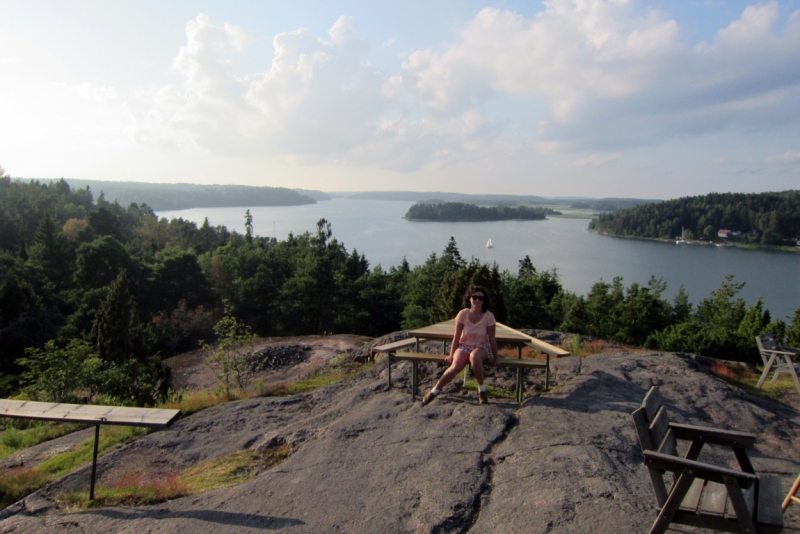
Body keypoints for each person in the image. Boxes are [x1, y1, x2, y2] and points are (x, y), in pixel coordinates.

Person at [422, 285, 499, 405]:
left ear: (484, 300)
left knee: (474, 357)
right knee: (455, 366)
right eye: (475, 297)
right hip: (465, 345)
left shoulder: (489, 316)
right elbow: (456, 336)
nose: (477, 300)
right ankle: (434, 391)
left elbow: (492, 338)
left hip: (482, 346)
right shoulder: (463, 314)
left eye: (480, 298)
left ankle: (482, 390)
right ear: (469, 298)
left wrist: (496, 357)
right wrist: (451, 354)